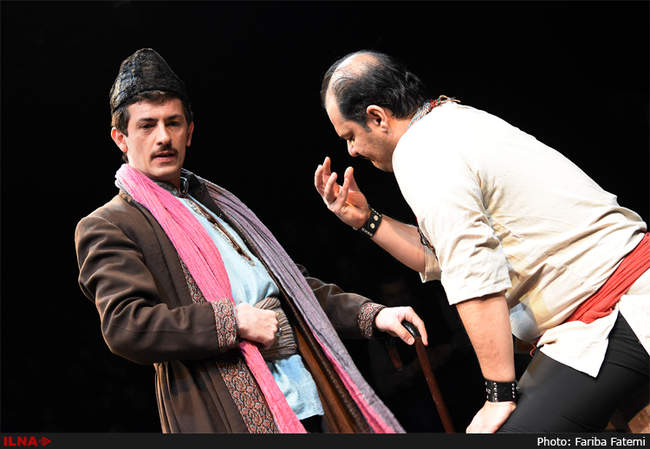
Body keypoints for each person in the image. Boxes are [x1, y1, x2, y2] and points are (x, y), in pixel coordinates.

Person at [74, 48, 429, 434]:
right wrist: (233, 321)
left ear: (189, 132)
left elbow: (293, 290)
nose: (163, 137)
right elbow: (127, 326)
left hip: (304, 394)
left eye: (173, 123)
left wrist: (372, 314)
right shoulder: (110, 224)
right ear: (121, 138)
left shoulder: (218, 203)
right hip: (227, 412)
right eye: (147, 126)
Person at [314, 50, 649, 433]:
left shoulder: (421, 153)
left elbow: (473, 272)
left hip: (616, 310)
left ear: (377, 117)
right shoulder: (446, 122)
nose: (352, 151)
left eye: (350, 136)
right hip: (594, 315)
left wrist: (498, 395)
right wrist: (367, 221)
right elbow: (442, 257)